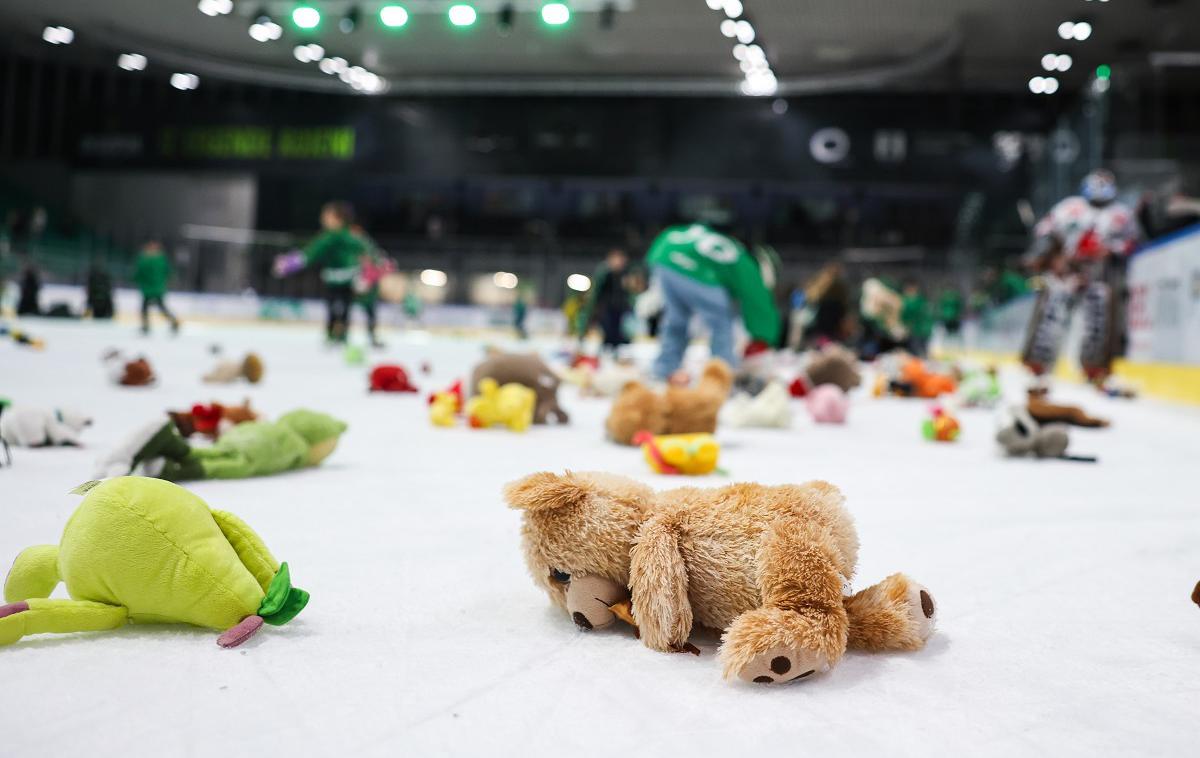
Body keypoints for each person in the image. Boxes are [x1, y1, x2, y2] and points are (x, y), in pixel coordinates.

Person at [1020, 169, 1141, 383]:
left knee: (1097, 323)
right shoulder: (1069, 207)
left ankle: (1095, 368)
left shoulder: (1122, 214)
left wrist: (1111, 249)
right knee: (1050, 318)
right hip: (1064, 272)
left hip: (1098, 276)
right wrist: (1045, 255)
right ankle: (1037, 364)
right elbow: (1046, 231)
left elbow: (1133, 242)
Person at [645, 221, 779, 379]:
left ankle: (664, 369)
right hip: (686, 264)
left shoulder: (725, 244)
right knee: (721, 321)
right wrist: (764, 336)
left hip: (663, 253)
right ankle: (723, 374)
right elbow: (758, 302)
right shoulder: (746, 263)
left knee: (677, 320)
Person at [274, 201, 366, 344]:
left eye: (326, 216)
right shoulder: (337, 236)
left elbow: (311, 253)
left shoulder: (337, 237)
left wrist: (291, 263)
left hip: (346, 278)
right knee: (337, 307)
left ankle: (338, 334)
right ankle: (336, 334)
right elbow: (312, 252)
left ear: (338, 218)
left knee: (341, 307)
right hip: (336, 279)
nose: (322, 219)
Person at [582, 248, 632, 354]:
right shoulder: (604, 273)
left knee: (618, 334)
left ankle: (614, 353)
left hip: (619, 309)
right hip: (606, 309)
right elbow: (596, 293)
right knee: (608, 332)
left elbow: (628, 293)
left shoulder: (624, 274)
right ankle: (605, 352)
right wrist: (593, 309)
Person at [350, 223, 390, 348]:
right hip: (352, 283)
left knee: (370, 313)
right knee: (345, 310)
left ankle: (372, 337)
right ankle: (340, 336)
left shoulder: (367, 245)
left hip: (369, 286)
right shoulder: (348, 246)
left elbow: (378, 263)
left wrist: (368, 278)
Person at [133, 241, 179, 334]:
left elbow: (139, 273)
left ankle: (146, 325)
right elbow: (169, 272)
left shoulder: (145, 260)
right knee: (157, 307)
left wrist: (136, 279)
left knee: (149, 307)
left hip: (151, 288)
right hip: (156, 288)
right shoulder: (161, 259)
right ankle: (173, 322)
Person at [900, 280, 933, 357]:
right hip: (923, 331)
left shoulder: (912, 301)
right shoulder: (921, 300)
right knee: (922, 352)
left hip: (917, 332)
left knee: (916, 354)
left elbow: (907, 317)